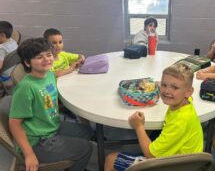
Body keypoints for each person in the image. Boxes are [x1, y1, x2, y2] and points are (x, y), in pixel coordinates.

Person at [9, 38, 93, 171]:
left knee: (87, 131)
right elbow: (14, 123)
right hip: (38, 141)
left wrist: (72, 67)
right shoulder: (25, 88)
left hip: (52, 127)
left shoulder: (48, 74)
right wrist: (29, 154)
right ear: (27, 62)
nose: (47, 59)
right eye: (39, 57)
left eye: (48, 55)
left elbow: (57, 74)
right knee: (86, 148)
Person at [104, 63, 204, 171]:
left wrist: (139, 126)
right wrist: (165, 85)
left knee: (111, 159)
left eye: (174, 87)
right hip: (187, 163)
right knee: (152, 135)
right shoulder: (185, 103)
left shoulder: (180, 122)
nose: (167, 91)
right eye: (164, 85)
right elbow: (173, 87)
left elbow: (150, 155)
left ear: (188, 92)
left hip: (174, 166)